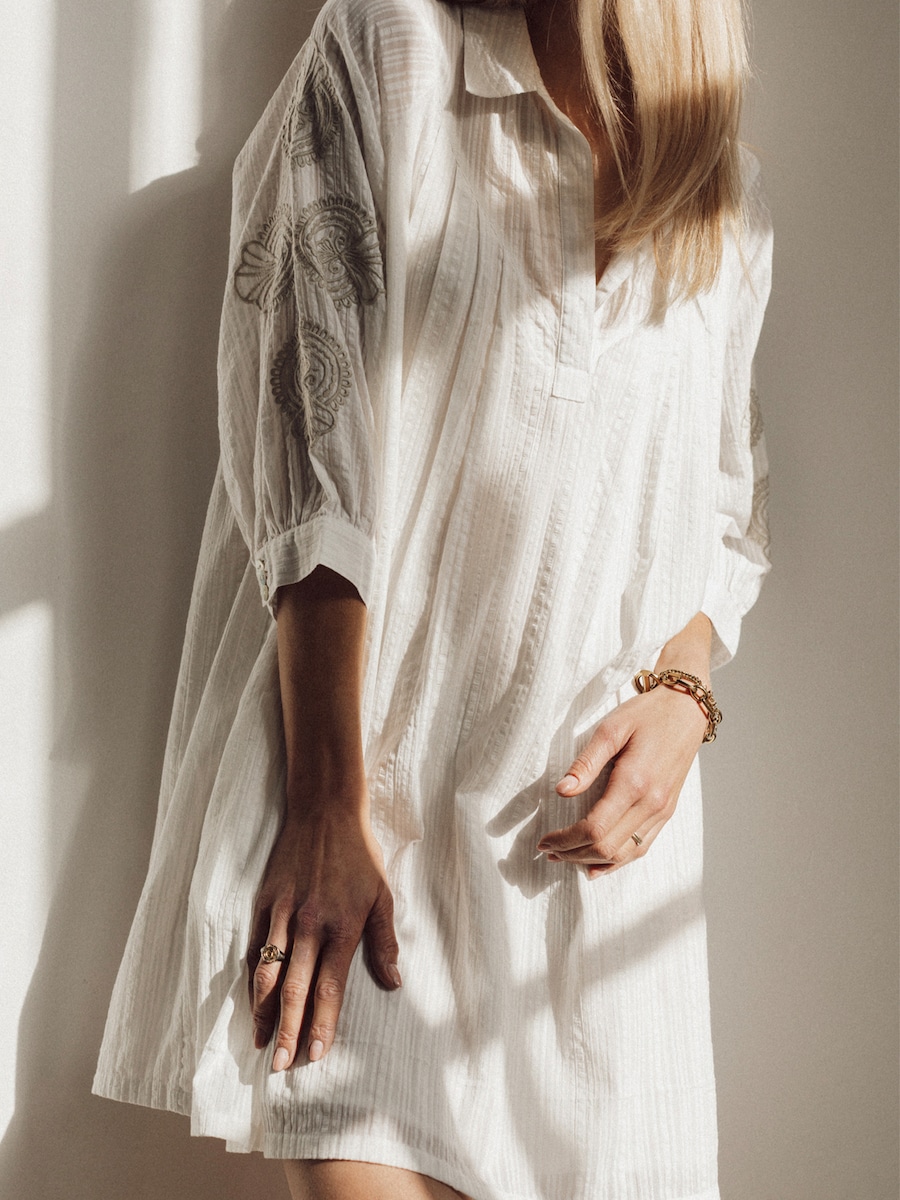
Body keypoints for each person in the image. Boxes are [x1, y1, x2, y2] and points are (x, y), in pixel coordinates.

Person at [93, 0, 772, 1196]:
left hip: (594, 889)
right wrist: (327, 806)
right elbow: (311, 457)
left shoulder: (726, 188)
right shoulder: (390, 49)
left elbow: (720, 500)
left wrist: (683, 693)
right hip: (371, 841)